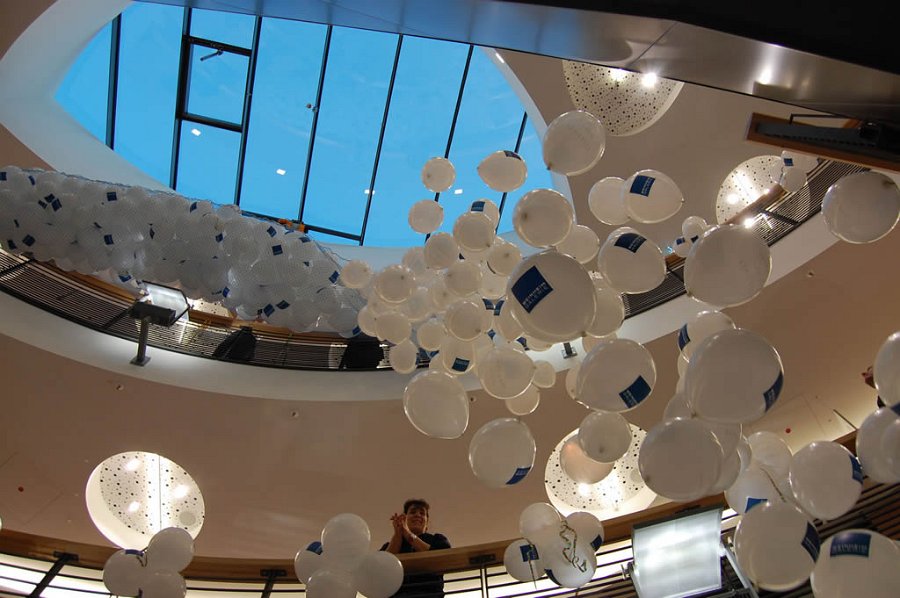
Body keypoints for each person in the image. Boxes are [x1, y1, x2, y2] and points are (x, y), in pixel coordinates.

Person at [380, 498, 450, 596]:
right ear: (405, 519)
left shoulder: (437, 539)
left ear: (427, 523)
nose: (417, 515)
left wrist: (407, 533)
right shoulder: (389, 545)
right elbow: (381, 565)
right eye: (412, 512)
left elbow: (443, 558)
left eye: (422, 513)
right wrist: (398, 533)